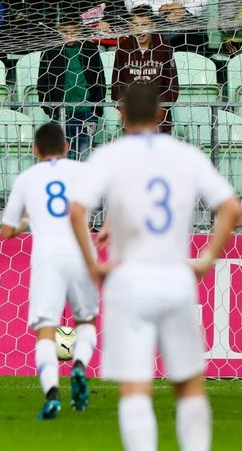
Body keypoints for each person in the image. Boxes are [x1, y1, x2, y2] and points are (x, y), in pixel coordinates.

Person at [69, 82, 240, 451]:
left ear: (122, 114)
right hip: (175, 276)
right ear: (162, 114)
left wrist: (94, 265)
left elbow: (77, 208)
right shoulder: (185, 154)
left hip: (128, 279)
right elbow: (230, 207)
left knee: (135, 387)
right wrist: (208, 258)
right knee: (189, 384)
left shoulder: (110, 155)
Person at [0, 122, 99, 420]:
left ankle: (52, 395)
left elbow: (6, 230)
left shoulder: (27, 178)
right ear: (67, 147)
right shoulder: (83, 171)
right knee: (86, 319)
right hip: (82, 251)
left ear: (35, 149)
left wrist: (29, 222)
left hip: (48, 257)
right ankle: (79, 365)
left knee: (46, 330)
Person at [37, 21, 106, 161]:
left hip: (87, 112)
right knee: (62, 155)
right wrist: (51, 110)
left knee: (85, 152)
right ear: (58, 31)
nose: (69, 35)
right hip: (61, 112)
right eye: (65, 32)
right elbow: (42, 83)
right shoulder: (50, 51)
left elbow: (100, 79)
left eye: (73, 32)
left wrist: (97, 108)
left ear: (80, 31)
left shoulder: (90, 49)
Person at [112, 6, 178, 133]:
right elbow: (116, 86)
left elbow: (172, 86)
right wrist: (125, 111)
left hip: (159, 121)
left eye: (145, 25)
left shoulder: (164, 47)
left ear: (152, 26)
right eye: (136, 25)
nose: (140, 30)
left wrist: (159, 111)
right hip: (131, 120)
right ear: (130, 27)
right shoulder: (122, 49)